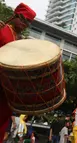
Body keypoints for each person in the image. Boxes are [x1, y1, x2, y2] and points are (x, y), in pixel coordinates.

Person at [0, 3, 36, 141]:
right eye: (23, 19)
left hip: (7, 90)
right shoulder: (2, 29)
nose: (25, 24)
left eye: (28, 22)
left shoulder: (19, 40)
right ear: (15, 15)